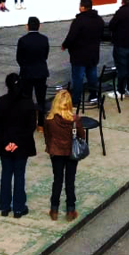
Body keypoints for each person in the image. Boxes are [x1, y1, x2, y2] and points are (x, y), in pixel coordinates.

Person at [0, 73, 37, 218]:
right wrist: (16, 143)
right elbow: (30, 127)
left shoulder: (1, 101)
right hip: (21, 146)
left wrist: (7, 143)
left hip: (4, 146)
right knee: (19, 175)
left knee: (6, 174)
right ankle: (18, 208)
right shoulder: (28, 103)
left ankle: (5, 207)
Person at [44, 90, 85, 222]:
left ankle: (54, 208)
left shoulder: (49, 120)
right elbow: (81, 135)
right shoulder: (75, 120)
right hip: (71, 152)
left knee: (57, 179)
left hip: (56, 152)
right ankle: (70, 209)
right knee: (70, 180)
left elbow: (47, 136)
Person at [62, 0, 104, 106]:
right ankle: (93, 96)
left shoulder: (78, 21)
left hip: (79, 55)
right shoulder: (99, 20)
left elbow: (71, 37)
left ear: (82, 7)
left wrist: (65, 45)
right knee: (92, 76)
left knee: (78, 78)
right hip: (93, 54)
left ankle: (76, 100)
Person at [17, 16, 49, 127]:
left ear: (27, 26)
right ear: (39, 26)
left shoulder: (22, 40)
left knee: (27, 98)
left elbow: (19, 58)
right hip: (41, 72)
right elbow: (45, 55)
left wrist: (25, 66)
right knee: (41, 99)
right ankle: (41, 124)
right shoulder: (44, 39)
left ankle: (29, 122)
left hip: (27, 73)